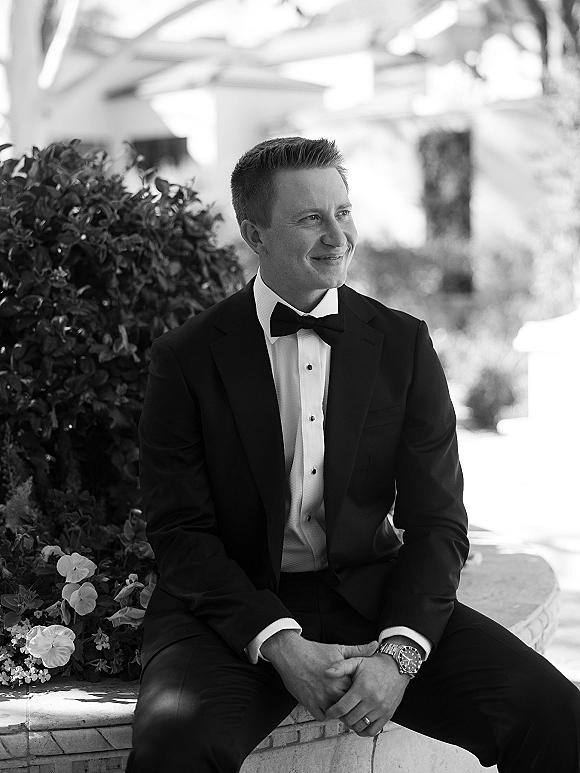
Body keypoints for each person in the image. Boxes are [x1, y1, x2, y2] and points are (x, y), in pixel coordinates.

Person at [127, 137, 580, 773]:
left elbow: (439, 522)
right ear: (255, 233)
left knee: (558, 717)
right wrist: (280, 643)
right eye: (311, 218)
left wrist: (399, 655)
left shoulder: (403, 343)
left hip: (372, 598)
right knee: (174, 748)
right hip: (232, 611)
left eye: (343, 212)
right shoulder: (187, 358)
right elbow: (181, 534)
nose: (336, 235)